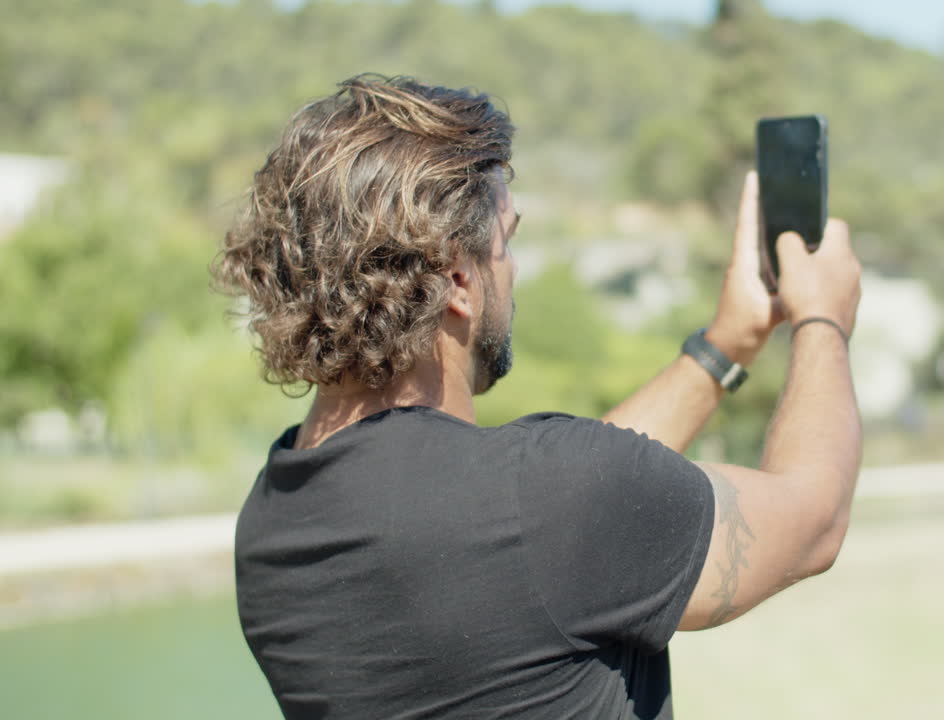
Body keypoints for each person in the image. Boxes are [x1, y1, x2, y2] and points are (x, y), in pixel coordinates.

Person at [215, 74, 862, 720]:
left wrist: (727, 343)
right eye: (507, 240)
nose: (514, 268)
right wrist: (823, 319)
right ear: (459, 277)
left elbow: (553, 529)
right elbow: (814, 520)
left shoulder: (271, 524)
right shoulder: (546, 501)